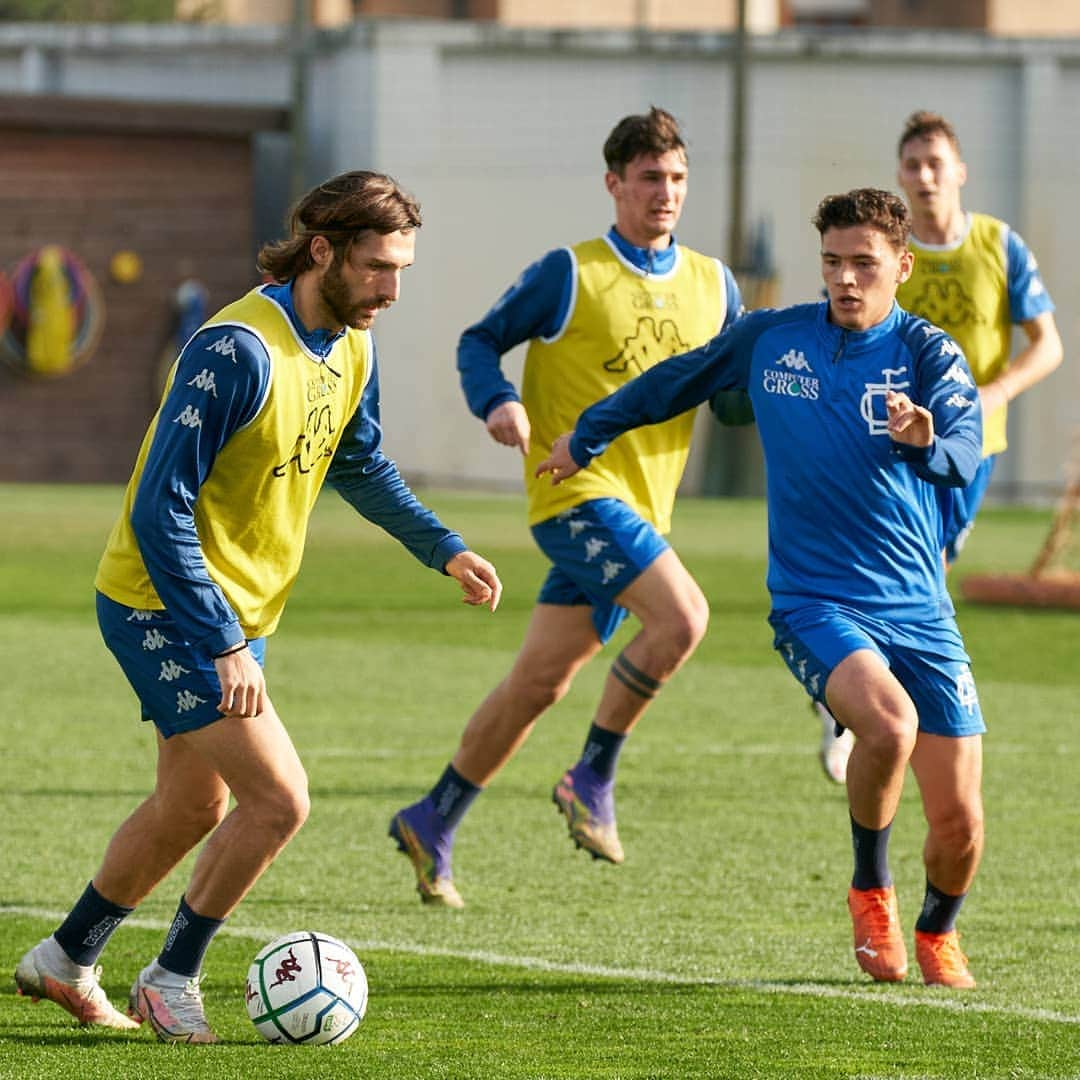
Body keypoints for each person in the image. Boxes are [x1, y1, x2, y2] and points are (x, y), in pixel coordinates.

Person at [14, 171, 502, 1041]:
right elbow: (157, 508)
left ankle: (64, 959)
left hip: (240, 615)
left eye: (403, 270)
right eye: (379, 268)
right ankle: (172, 977)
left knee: (193, 807)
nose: (393, 290)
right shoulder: (233, 350)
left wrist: (444, 547)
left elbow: (359, 464)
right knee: (279, 800)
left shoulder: (353, 345)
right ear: (324, 251)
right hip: (162, 606)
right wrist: (224, 642)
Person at [538, 189, 986, 989]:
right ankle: (870, 889)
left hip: (921, 610)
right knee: (888, 725)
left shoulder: (928, 354)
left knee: (960, 826)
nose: (845, 280)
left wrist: (926, 442)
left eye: (864, 265)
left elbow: (963, 448)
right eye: (832, 263)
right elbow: (674, 380)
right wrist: (589, 433)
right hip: (817, 602)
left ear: (902, 268)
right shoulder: (774, 338)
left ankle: (937, 930)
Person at [388, 106, 743, 908]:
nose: (667, 192)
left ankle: (432, 818)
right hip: (573, 496)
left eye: (678, 177)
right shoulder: (569, 272)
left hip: (645, 514)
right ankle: (593, 775)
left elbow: (730, 396)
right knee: (682, 620)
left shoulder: (714, 285)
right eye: (650, 177)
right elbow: (480, 340)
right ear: (614, 183)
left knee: (537, 684)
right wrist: (496, 401)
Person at [815, 110, 1063, 785]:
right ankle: (855, 709)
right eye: (912, 165)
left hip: (969, 449)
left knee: (930, 573)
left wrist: (994, 393)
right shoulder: (881, 255)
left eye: (935, 163)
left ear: (959, 172)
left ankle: (856, 699)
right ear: (900, 175)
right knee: (899, 571)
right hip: (886, 439)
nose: (924, 176)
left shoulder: (998, 246)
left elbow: (1048, 344)